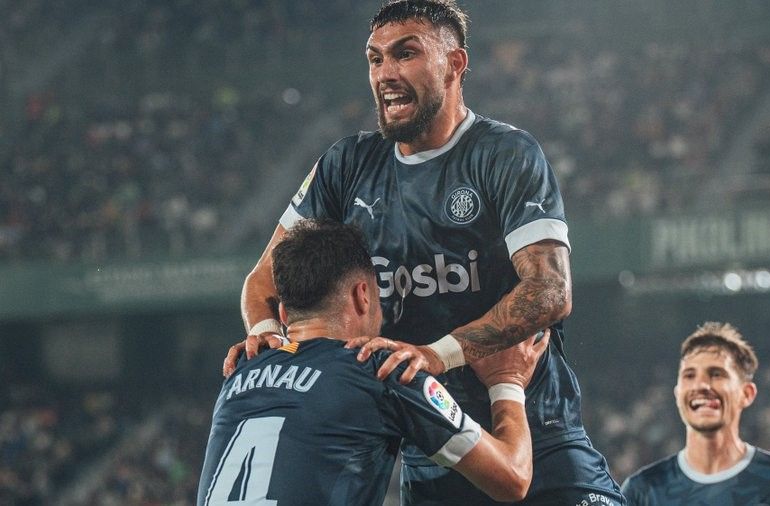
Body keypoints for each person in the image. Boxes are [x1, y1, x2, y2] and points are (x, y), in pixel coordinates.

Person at [225, 1, 624, 504]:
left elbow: (549, 290)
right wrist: (265, 336)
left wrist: (438, 355)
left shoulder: (504, 154)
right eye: (375, 59)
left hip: (539, 436)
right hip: (432, 454)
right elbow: (263, 282)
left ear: (455, 64)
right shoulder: (346, 165)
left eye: (405, 54)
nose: (385, 74)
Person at [199, 220, 548, 505]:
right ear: (362, 295)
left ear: (285, 313)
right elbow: (512, 478)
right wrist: (508, 382)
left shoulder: (241, 368)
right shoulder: (380, 367)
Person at [621, 322, 770, 505]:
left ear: (747, 394)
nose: (701, 385)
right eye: (689, 375)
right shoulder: (642, 492)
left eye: (716, 374)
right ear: (677, 394)